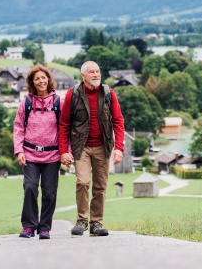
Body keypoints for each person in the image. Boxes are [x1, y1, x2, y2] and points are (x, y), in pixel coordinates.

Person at [58, 61, 125, 237]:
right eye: (91, 72)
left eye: (98, 71)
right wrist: (64, 150)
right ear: (83, 76)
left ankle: (96, 223)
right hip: (82, 147)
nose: (96, 75)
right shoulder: (73, 95)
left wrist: (119, 148)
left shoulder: (109, 93)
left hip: (103, 146)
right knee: (82, 182)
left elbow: (118, 121)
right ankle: (82, 221)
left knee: (100, 186)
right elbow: (64, 124)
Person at [13, 64, 64, 240]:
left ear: (48, 80)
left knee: (49, 192)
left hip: (52, 155)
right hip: (30, 154)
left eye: (43, 78)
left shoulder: (58, 102)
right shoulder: (26, 102)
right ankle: (28, 226)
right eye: (37, 79)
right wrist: (19, 150)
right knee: (30, 188)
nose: (41, 81)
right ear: (32, 83)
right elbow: (18, 127)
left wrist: (66, 152)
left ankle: (44, 228)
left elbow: (65, 129)